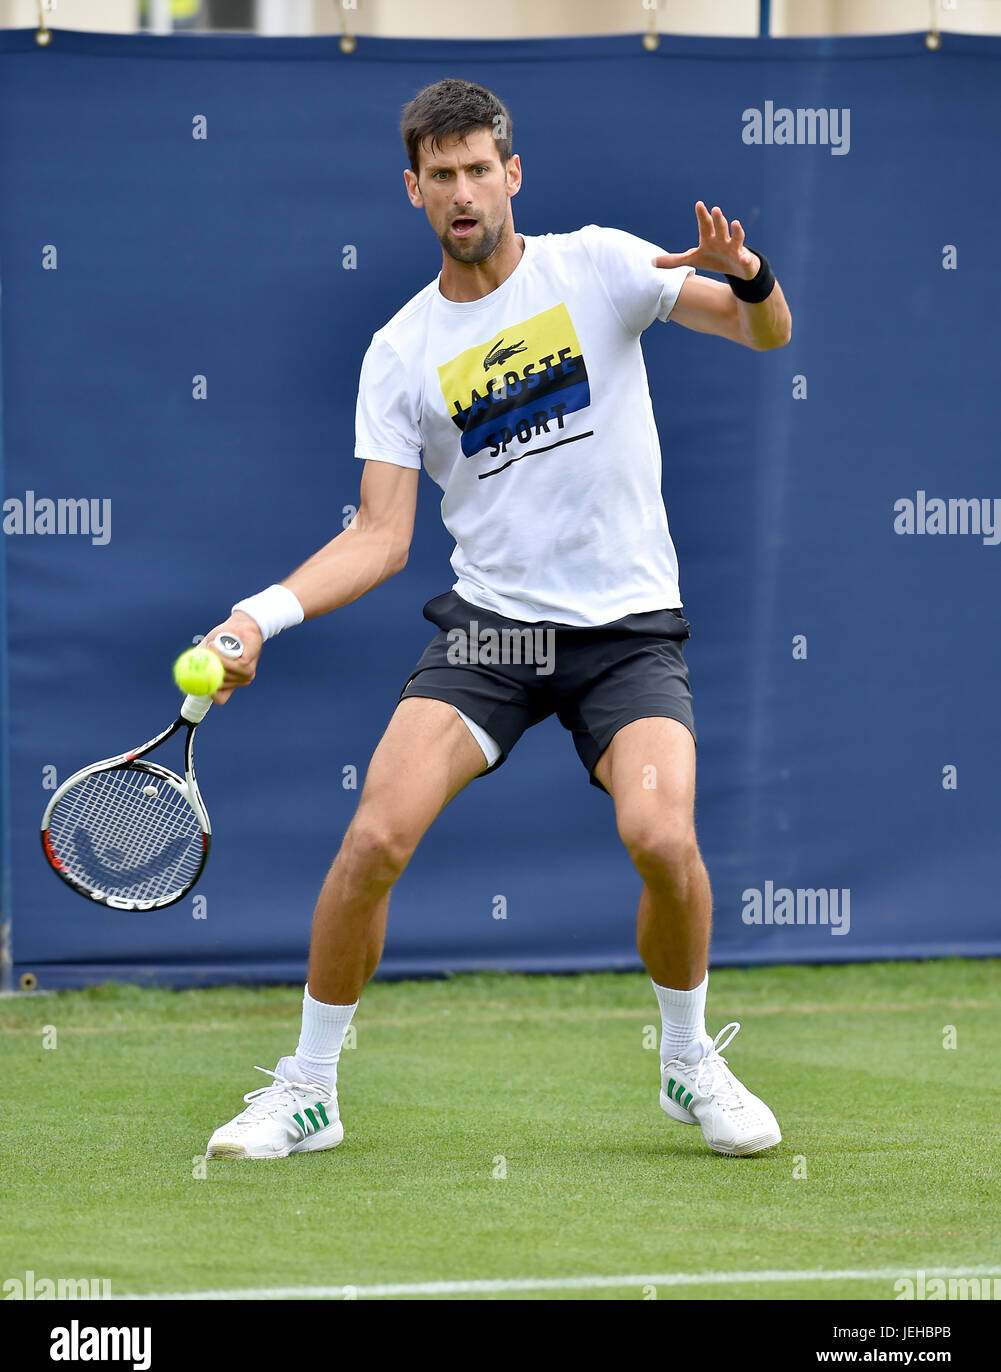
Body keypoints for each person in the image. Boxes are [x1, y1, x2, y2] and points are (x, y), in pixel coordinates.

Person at [202, 77, 792, 1162]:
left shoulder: (602, 267)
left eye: (480, 169)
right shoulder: (400, 350)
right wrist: (253, 619)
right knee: (374, 834)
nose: (463, 190)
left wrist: (746, 274)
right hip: (494, 635)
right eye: (442, 175)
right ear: (415, 191)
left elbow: (766, 334)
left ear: (511, 174)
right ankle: (308, 1090)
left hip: (625, 633)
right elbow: (379, 538)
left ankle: (685, 1058)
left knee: (660, 836)